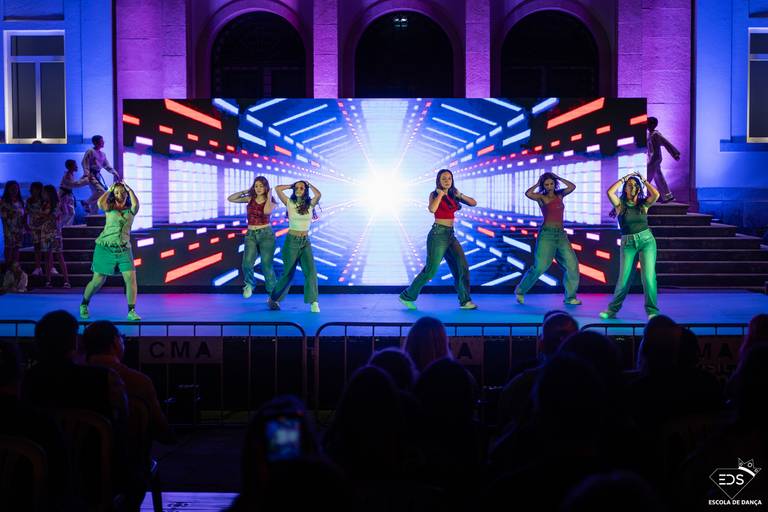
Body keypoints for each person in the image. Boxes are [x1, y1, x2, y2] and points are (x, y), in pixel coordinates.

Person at [399, 169, 478, 310]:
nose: (447, 181)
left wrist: (460, 195)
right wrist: (440, 195)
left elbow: (473, 203)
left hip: (450, 235)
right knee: (431, 270)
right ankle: (407, 296)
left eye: (449, 178)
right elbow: (432, 209)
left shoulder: (454, 195)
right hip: (438, 235)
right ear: (439, 181)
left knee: (462, 267)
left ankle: (465, 301)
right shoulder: (434, 194)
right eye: (444, 179)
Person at [83, 320, 173, 443]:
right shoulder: (139, 381)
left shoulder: (71, 379)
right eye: (121, 338)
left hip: (77, 451)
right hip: (128, 451)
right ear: (115, 342)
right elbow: (161, 429)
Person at [514, 172, 581, 305]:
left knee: (572, 266)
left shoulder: (560, 195)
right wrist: (537, 183)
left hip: (561, 235)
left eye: (551, 183)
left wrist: (559, 178)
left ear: (555, 184)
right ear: (543, 186)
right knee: (540, 267)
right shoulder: (541, 197)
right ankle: (520, 291)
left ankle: (570, 298)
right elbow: (528, 193)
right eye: (546, 184)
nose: (549, 186)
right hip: (547, 235)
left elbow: (572, 187)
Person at [600, 172, 660, 320]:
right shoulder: (620, 205)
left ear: (638, 189)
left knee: (648, 277)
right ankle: (612, 310)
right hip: (628, 244)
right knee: (624, 279)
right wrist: (624, 179)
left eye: (635, 185)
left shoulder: (643, 205)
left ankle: (652, 311)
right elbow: (610, 192)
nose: (632, 187)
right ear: (625, 188)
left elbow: (656, 194)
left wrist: (643, 180)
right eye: (629, 185)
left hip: (647, 241)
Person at [80, 182, 141, 321]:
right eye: (117, 192)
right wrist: (109, 190)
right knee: (98, 281)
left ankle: (131, 311)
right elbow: (100, 203)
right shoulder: (109, 208)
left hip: (124, 249)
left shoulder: (131, 210)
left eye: (123, 192)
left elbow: (136, 204)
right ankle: (84, 304)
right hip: (105, 248)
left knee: (131, 278)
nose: (121, 195)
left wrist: (129, 189)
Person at [267, 181, 321, 312]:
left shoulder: (310, 204)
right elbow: (278, 189)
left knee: (311, 272)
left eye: (302, 188)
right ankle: (274, 298)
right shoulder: (290, 203)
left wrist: (308, 184)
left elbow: (318, 194)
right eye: (296, 188)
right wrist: (291, 185)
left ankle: (313, 302)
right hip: (292, 241)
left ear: (305, 190)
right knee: (288, 274)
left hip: (305, 241)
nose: (298, 190)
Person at [227, 176, 277, 299]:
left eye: (261, 186)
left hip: (266, 234)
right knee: (247, 263)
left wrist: (269, 196)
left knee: (266, 265)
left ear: (266, 187)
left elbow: (266, 211)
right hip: (251, 234)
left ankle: (273, 295)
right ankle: (249, 284)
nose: (258, 188)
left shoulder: (272, 202)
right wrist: (246, 191)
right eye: (256, 186)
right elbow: (231, 198)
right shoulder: (250, 198)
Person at [40, 184, 70, 288]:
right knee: (47, 256)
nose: (43, 194)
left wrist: (43, 217)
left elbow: (53, 216)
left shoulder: (57, 204)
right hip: (45, 233)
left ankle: (66, 280)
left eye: (44, 192)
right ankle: (48, 281)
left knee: (59, 256)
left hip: (55, 233)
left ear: (49, 193)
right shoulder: (44, 204)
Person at [82, 135, 120, 214]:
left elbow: (107, 166)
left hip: (98, 176)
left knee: (97, 194)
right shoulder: (90, 151)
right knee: (101, 191)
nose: (103, 142)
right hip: (91, 175)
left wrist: (115, 173)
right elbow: (85, 163)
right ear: (96, 142)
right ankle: (86, 202)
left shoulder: (103, 154)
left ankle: (93, 213)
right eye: (101, 141)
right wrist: (87, 174)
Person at [646, 116, 680, 203]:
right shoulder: (649, 135)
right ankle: (668, 196)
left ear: (652, 125)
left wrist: (675, 154)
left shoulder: (656, 135)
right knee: (659, 178)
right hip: (652, 159)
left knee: (646, 178)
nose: (647, 125)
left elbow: (666, 143)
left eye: (648, 123)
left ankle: (639, 196)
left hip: (655, 159)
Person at [59, 159, 90, 226]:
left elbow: (76, 183)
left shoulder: (70, 174)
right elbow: (75, 184)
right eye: (75, 165)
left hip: (68, 195)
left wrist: (84, 178)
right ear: (71, 167)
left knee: (71, 213)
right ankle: (61, 228)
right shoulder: (67, 175)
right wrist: (86, 180)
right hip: (64, 196)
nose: (77, 167)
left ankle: (67, 228)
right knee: (66, 214)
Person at [0, 180, 24, 266]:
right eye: (12, 188)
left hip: (19, 228)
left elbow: (22, 214)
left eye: (16, 188)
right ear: (8, 189)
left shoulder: (20, 201)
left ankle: (15, 267)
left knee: (17, 247)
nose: (15, 190)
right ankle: (8, 267)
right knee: (9, 247)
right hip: (9, 228)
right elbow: (3, 216)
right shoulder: (3, 201)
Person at [25, 181, 45, 276]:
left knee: (47, 247)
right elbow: (26, 213)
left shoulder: (44, 200)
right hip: (34, 226)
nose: (32, 191)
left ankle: (50, 266)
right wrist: (26, 224)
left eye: (34, 189)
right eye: (31, 189)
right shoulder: (29, 201)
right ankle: (38, 267)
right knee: (37, 246)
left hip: (45, 227)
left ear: (39, 190)